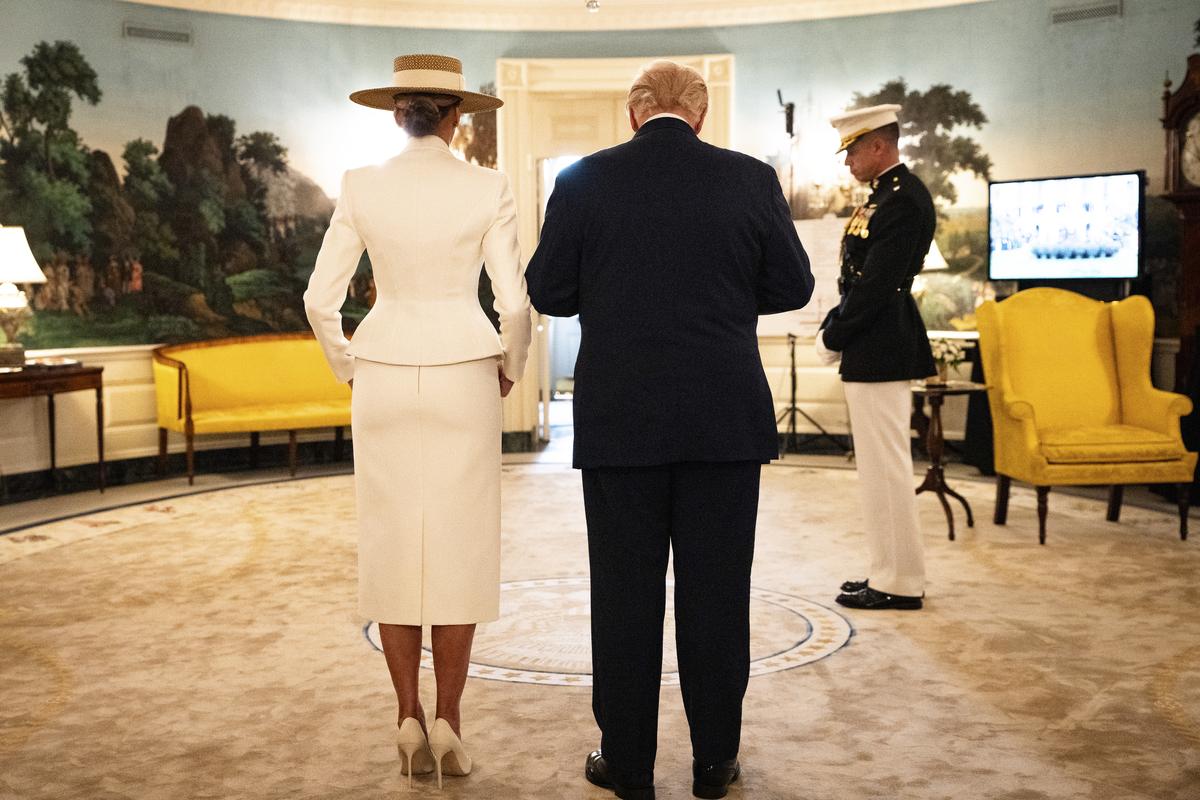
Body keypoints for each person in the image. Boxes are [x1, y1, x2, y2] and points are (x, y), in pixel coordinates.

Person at [526, 60, 813, 800]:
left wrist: (616, 290)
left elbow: (550, 289)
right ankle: (715, 761)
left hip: (621, 418)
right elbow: (794, 285)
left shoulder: (584, 179)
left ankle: (627, 762)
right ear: (702, 113)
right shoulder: (750, 179)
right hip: (724, 416)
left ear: (632, 114)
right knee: (718, 595)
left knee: (624, 596)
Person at [303, 54, 531, 788]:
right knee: (459, 547)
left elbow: (318, 299)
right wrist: (509, 366)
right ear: (457, 114)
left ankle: (405, 716)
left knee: (395, 541)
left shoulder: (361, 186)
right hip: (466, 369)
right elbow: (517, 304)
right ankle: (450, 723)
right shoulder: (487, 185)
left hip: (385, 373)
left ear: (395, 112)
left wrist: (349, 364)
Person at [815, 104, 937, 611]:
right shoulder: (885, 196)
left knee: (886, 465)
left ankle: (902, 580)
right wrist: (838, 325)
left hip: (882, 339)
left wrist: (835, 333)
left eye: (852, 151)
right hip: (875, 340)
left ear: (879, 146)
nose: (847, 162)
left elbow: (878, 285)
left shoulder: (903, 200)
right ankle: (886, 569)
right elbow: (860, 279)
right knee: (877, 466)